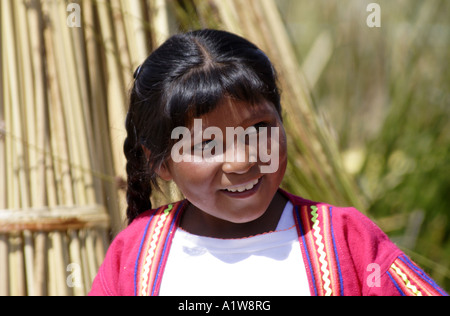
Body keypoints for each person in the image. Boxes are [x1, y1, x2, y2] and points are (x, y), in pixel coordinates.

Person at [89, 29, 447, 296]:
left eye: (259, 129)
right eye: (206, 145)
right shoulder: (134, 258)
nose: (243, 161)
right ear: (162, 164)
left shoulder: (346, 240)